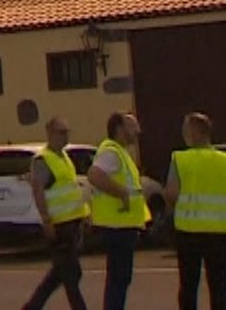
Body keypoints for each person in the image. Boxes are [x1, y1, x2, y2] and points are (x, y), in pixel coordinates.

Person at [164, 112, 226, 310]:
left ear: (195, 132)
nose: (183, 134)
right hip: (219, 232)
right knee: (219, 286)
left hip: (188, 232)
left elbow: (172, 193)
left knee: (188, 286)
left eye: (185, 130)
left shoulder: (180, 158)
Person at [21, 116, 92, 310]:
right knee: (70, 274)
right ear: (50, 134)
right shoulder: (43, 159)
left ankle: (31, 307)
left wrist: (83, 215)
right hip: (59, 224)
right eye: (62, 132)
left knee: (62, 274)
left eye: (67, 132)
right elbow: (38, 190)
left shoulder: (64, 157)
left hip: (72, 222)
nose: (66, 136)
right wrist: (46, 220)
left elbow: (70, 189)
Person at [86, 111, 149, 310]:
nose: (137, 132)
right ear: (120, 129)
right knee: (118, 279)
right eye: (133, 127)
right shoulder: (111, 152)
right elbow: (94, 175)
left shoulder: (120, 152)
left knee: (120, 279)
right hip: (117, 225)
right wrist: (121, 193)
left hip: (123, 224)